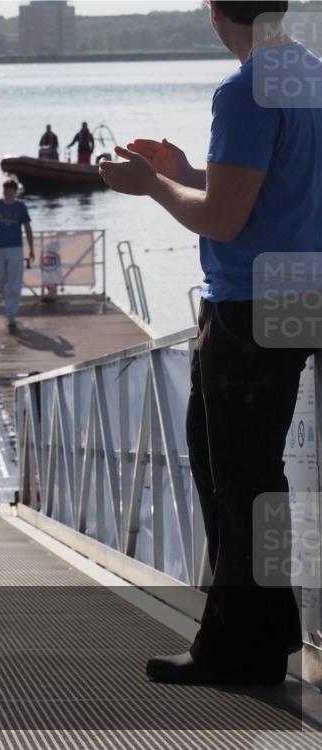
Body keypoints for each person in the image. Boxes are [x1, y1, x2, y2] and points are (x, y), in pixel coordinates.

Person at [99, 0, 321, 686]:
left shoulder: (245, 87)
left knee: (237, 479)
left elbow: (224, 222)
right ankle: (268, 629)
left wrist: (151, 183)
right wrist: (190, 170)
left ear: (217, 13)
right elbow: (265, 194)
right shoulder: (309, 74)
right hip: (304, 290)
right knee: (254, 476)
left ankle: (239, 648)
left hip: (251, 306)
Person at [0, 179, 34, 330]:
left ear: (15, 191)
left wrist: (31, 248)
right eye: (4, 189)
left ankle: (11, 314)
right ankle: (7, 298)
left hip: (15, 247)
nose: (6, 192)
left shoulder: (20, 207)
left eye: (9, 190)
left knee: (15, 280)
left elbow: (27, 228)